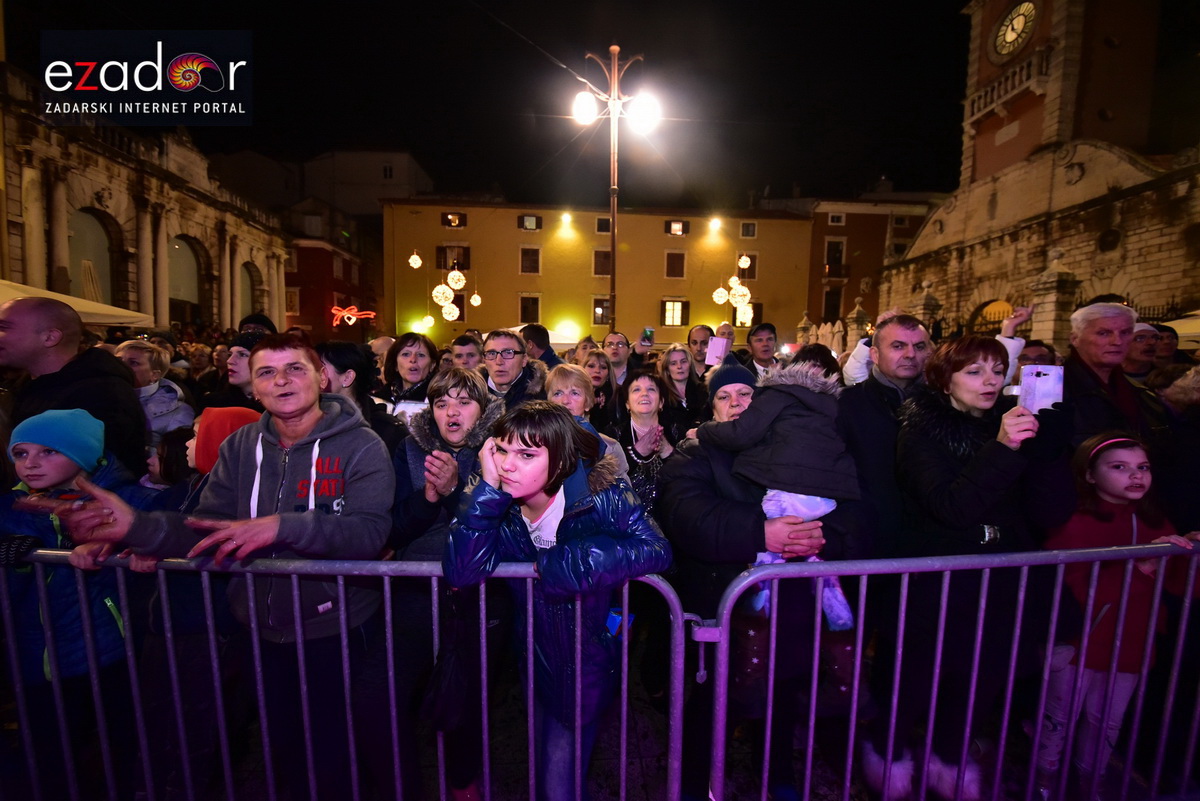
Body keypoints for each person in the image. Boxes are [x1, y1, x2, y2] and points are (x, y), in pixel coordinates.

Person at [58, 334, 395, 801]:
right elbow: (207, 527)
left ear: (321, 377)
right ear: (252, 388)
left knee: (339, 754)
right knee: (281, 752)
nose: (282, 380)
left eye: (295, 369)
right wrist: (136, 526)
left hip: (337, 626)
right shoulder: (241, 446)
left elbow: (369, 535)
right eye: (267, 373)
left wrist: (282, 527)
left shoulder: (362, 445)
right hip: (256, 624)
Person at [867, 335, 1073, 801]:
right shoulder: (920, 431)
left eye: (998, 370)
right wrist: (1002, 448)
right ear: (945, 380)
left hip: (997, 581)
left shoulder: (1009, 424)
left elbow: (1048, 514)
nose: (991, 381)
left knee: (978, 677)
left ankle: (948, 757)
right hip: (933, 582)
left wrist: (1050, 452)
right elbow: (952, 506)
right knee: (912, 678)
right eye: (974, 372)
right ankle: (889, 754)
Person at [443, 401, 671, 801]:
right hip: (537, 659)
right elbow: (462, 570)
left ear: (561, 460)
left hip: (588, 663)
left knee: (557, 783)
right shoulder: (501, 506)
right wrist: (488, 492)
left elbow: (656, 547)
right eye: (502, 451)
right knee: (544, 760)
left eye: (527, 455)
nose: (509, 465)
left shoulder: (605, 497)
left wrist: (568, 564)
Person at [658, 356, 845, 800]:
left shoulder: (794, 447)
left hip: (790, 607)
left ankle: (777, 774)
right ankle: (694, 784)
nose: (737, 403)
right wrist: (762, 532)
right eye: (724, 396)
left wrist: (821, 537)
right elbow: (686, 515)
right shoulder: (696, 452)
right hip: (719, 605)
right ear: (712, 409)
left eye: (746, 394)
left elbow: (848, 503)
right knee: (711, 706)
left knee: (782, 697)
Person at [358, 367, 505, 801]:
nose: (451, 412)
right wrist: (427, 497)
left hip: (481, 593)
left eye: (463, 402)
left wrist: (459, 489)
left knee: (465, 701)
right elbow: (392, 529)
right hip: (415, 591)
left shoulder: (502, 448)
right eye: (441, 403)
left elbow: (511, 525)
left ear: (482, 410)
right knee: (377, 697)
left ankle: (463, 784)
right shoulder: (408, 449)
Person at [0, 409, 159, 799]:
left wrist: (133, 542)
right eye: (21, 454)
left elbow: (163, 537)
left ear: (85, 455)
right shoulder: (11, 510)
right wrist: (13, 562)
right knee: (50, 757)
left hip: (109, 652)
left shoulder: (128, 501)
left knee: (119, 751)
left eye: (49, 452)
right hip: (36, 658)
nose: (31, 464)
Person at [1036, 434, 1195, 798]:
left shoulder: (1155, 520)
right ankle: (1042, 781)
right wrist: (1143, 565)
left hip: (1132, 645)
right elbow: (1074, 592)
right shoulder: (1073, 522)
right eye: (1119, 467)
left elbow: (1179, 584)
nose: (1135, 476)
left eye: (1142, 468)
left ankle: (1092, 782)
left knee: (1107, 722)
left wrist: (1192, 553)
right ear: (1090, 475)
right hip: (1080, 645)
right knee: (1058, 719)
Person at [0, 297, 148, 476]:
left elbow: (107, 472)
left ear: (50, 337)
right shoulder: (24, 386)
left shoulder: (101, 393)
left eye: (4, 327)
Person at [1064, 302, 1168, 447]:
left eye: (1125, 333)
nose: (1117, 341)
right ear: (1075, 339)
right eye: (1104, 333)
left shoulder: (1140, 391)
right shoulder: (1053, 387)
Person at [316, 340, 406, 454]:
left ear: (347, 377)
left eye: (320, 368)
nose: (311, 376)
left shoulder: (388, 431)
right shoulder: (306, 426)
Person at [545, 364, 629, 481]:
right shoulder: (535, 444)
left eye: (574, 393)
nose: (565, 401)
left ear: (588, 401)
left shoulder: (609, 448)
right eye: (558, 393)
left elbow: (624, 497)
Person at [615, 372, 680, 519]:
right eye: (636, 390)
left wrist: (667, 451)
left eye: (651, 389)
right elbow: (608, 478)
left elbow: (688, 477)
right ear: (627, 403)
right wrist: (636, 454)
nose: (644, 394)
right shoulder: (614, 435)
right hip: (626, 518)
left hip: (673, 517)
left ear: (661, 402)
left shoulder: (676, 432)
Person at [116, 339, 196, 442]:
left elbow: (176, 455)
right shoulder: (102, 398)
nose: (121, 366)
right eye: (118, 360)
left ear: (155, 375)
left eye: (133, 363)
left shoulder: (177, 413)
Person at [200, 330, 267, 413]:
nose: (230, 361)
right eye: (230, 354)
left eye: (242, 354)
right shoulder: (214, 405)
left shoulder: (279, 405)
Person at [481, 328, 546, 407]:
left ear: (524, 359)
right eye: (491, 353)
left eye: (508, 353)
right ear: (484, 360)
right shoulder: (471, 393)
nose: (499, 361)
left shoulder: (545, 396)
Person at [380, 331, 439, 407]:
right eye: (406, 354)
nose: (413, 359)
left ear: (432, 365)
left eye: (421, 355)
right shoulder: (379, 398)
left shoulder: (439, 398)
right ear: (395, 364)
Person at [658, 342, 708, 426]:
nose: (679, 366)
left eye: (683, 361)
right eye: (673, 363)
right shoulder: (661, 394)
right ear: (667, 370)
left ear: (690, 365)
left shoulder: (703, 391)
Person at [584, 349, 620, 431]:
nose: (597, 371)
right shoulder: (572, 396)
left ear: (608, 374)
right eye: (591, 366)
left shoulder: (617, 396)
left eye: (603, 367)